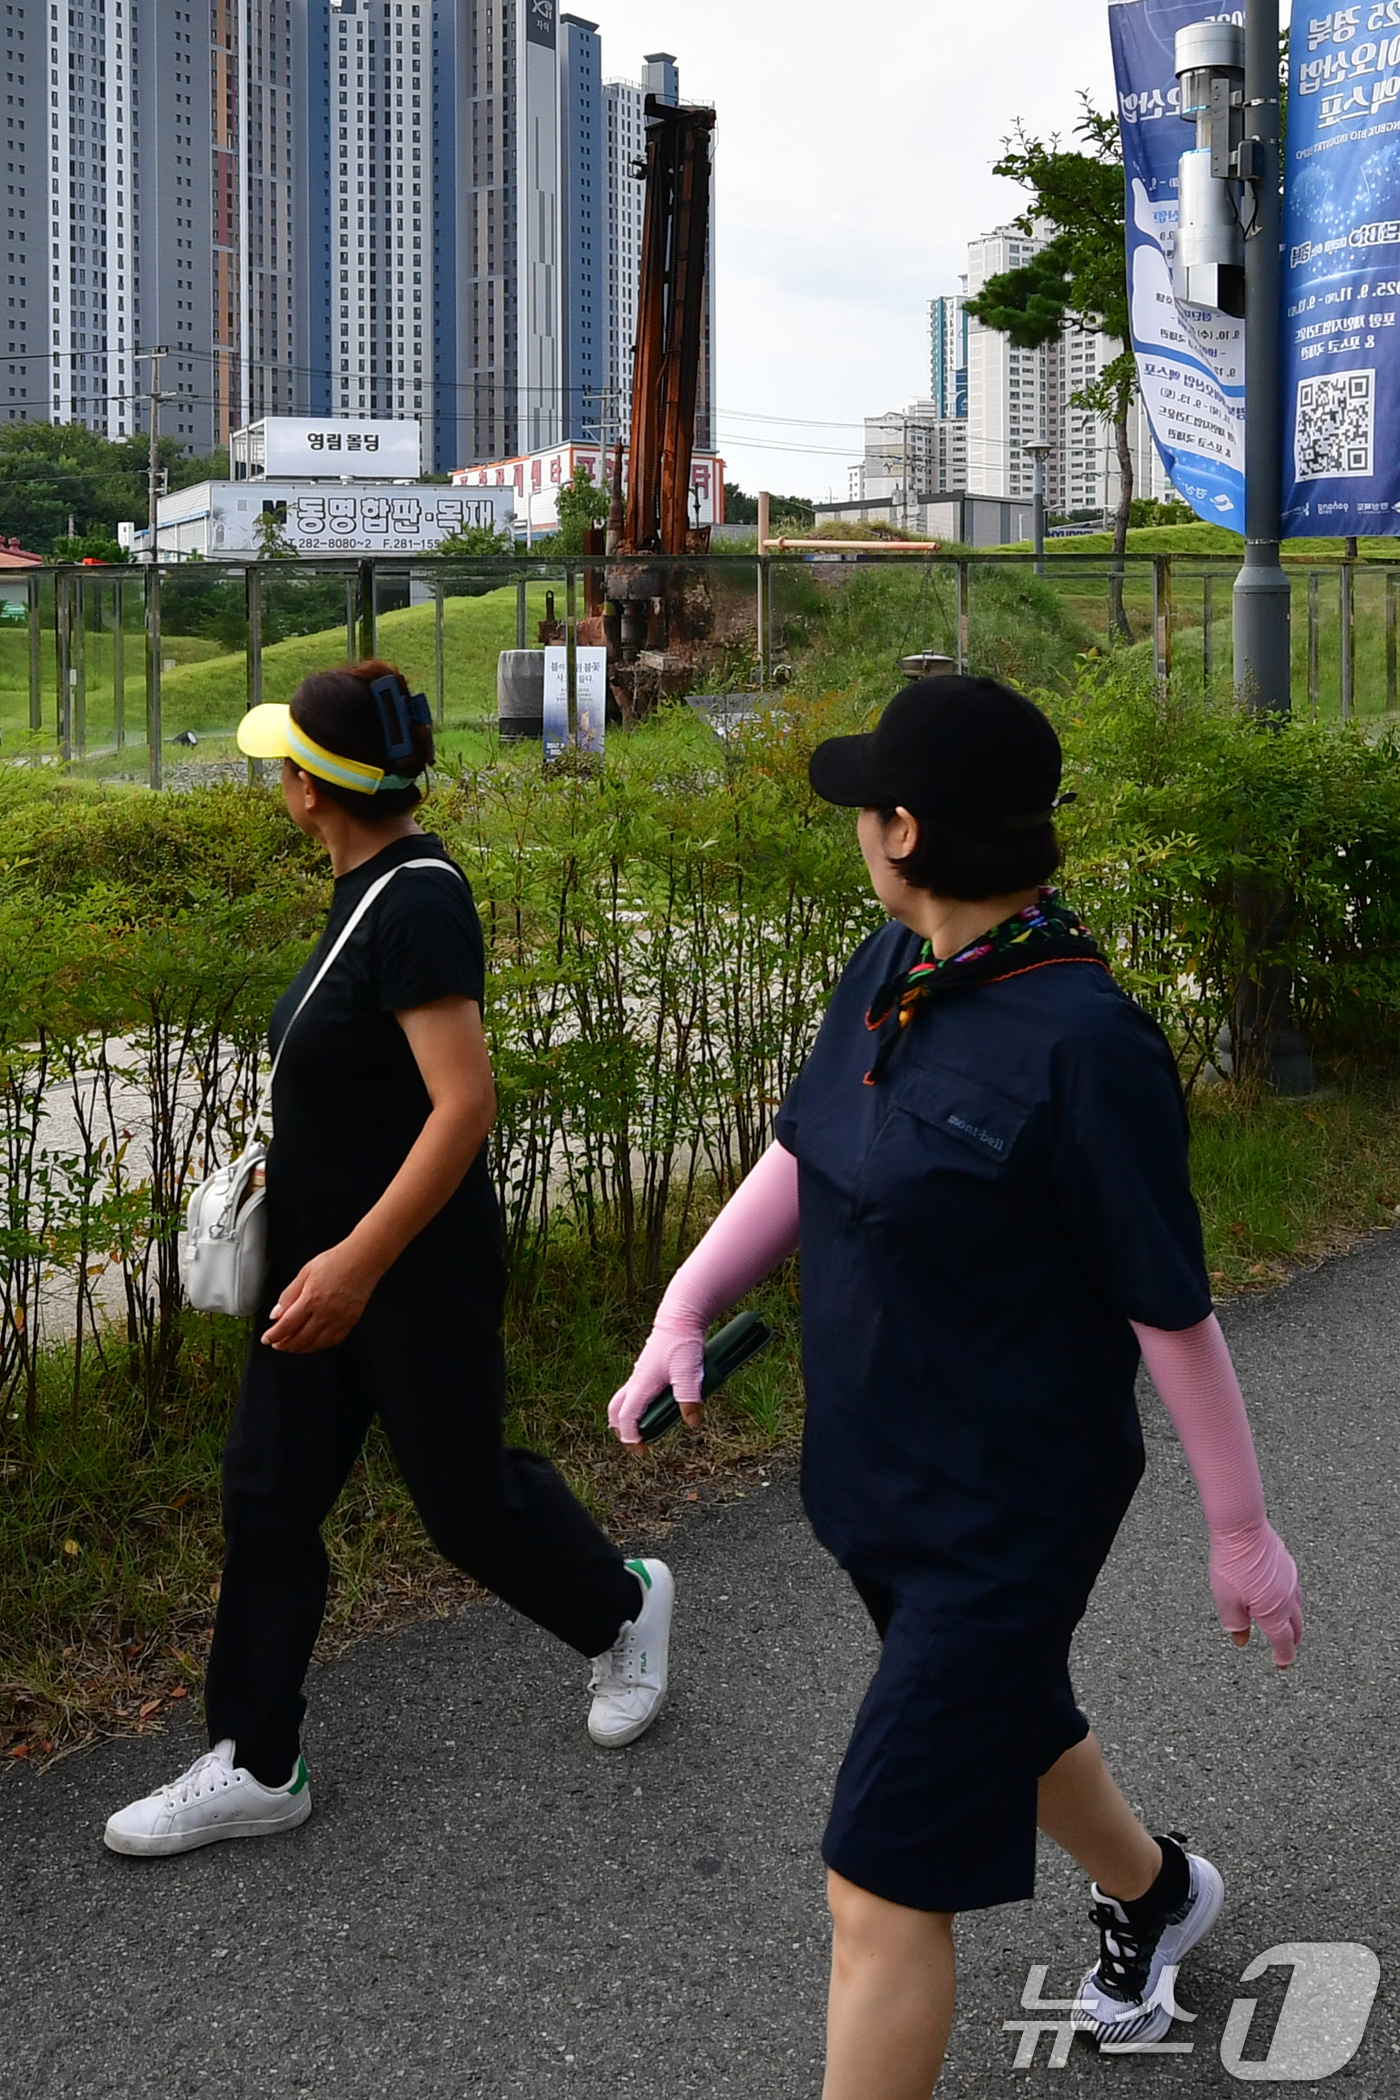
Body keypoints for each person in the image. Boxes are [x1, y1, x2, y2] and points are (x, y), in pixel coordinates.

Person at [608, 676, 1302, 2095]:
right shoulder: (893, 966)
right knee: (1001, 1715)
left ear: (908, 830)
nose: (857, 825)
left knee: (875, 1888)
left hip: (1006, 1517)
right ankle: (1161, 1893)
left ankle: (1147, 1899)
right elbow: (810, 1149)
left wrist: (1242, 1531)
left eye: (868, 804)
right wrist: (686, 1307)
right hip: (877, 1481)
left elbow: (1167, 1309)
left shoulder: (1087, 1045)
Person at [105, 660, 673, 1858]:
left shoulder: (415, 900)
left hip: (405, 1271)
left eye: (285, 762)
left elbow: (462, 1107)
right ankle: (257, 1761)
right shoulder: (359, 885)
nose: (277, 778)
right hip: (318, 1268)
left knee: (466, 1508)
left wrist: (358, 1260)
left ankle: (623, 1608)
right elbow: (362, 1083)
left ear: (314, 788)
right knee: (266, 1499)